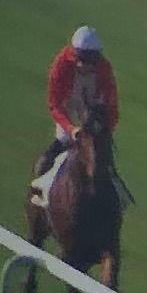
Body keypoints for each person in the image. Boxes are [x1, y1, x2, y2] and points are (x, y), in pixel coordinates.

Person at [38, 22, 120, 198]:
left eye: (91, 62)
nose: (86, 66)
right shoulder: (61, 64)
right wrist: (71, 128)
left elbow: (112, 107)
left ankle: (118, 197)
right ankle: (40, 192)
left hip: (92, 110)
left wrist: (104, 133)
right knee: (58, 146)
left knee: (104, 160)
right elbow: (54, 103)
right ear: (75, 54)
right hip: (69, 108)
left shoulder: (104, 69)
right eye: (83, 60)